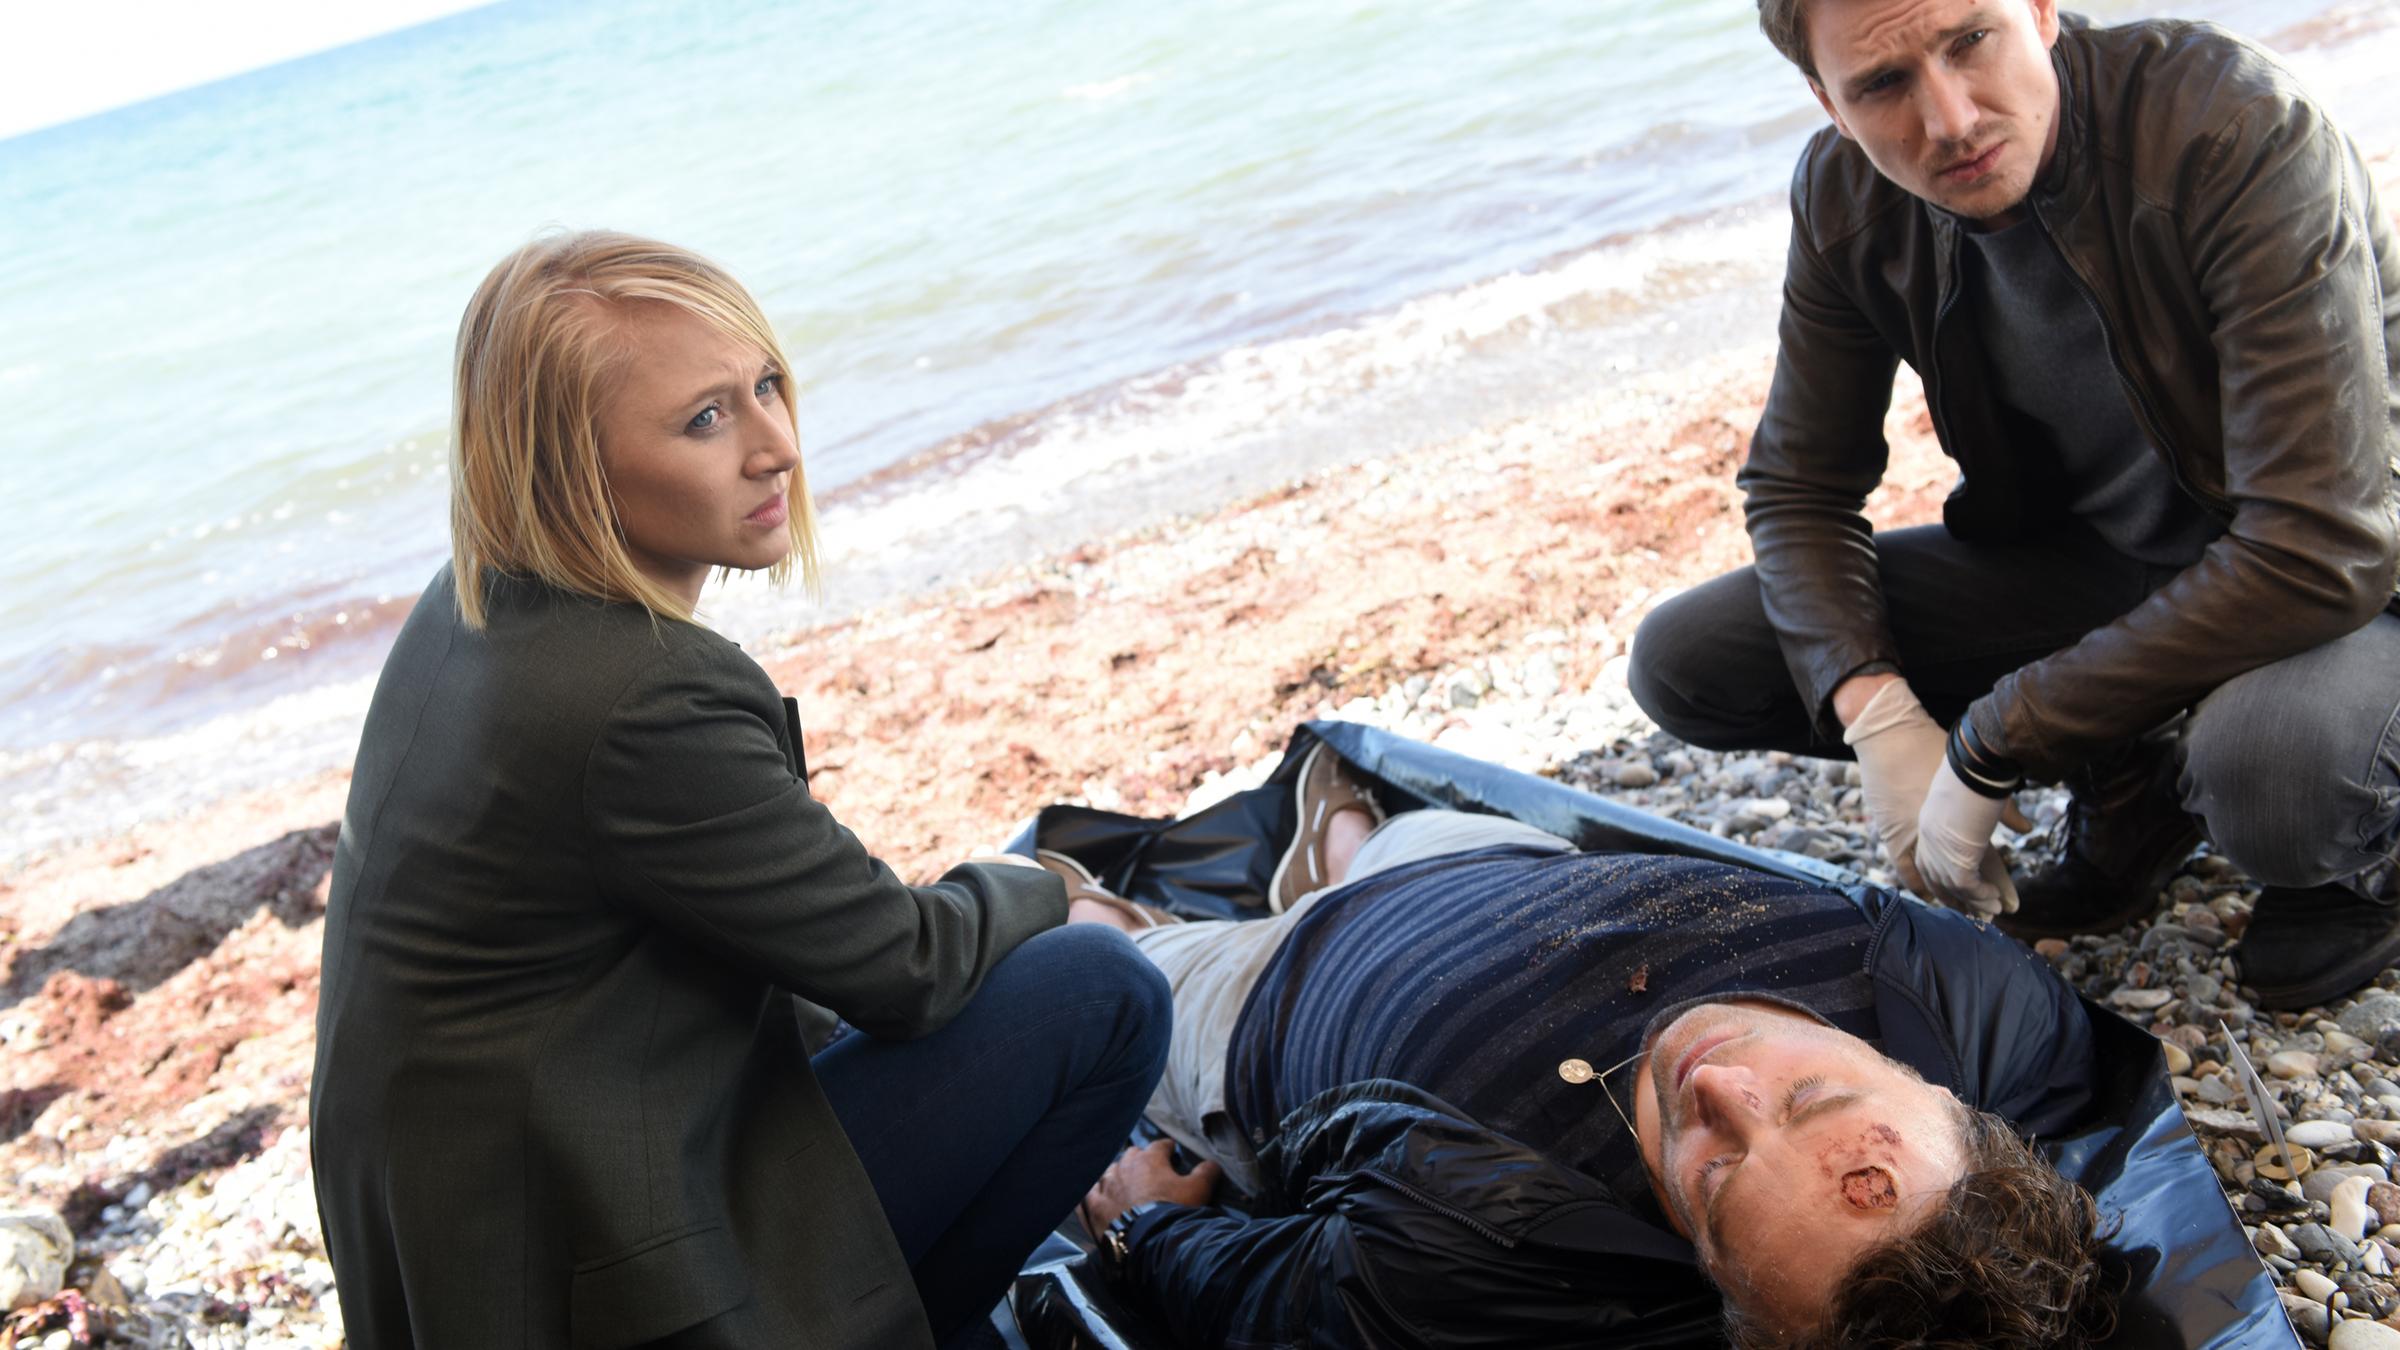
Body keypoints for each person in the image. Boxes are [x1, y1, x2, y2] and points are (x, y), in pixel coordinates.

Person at [308, 231, 1170, 1350]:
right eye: (706, 419)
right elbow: (903, 966)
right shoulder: (640, 694)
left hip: (466, 1228)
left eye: (767, 385)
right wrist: (1053, 886)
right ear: (572, 467)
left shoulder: (472, 599)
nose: (778, 446)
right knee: (1098, 990)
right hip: (577, 1268)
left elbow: (773, 926)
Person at [1624, 0, 2400, 1009]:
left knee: (2271, 778)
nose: (1950, 120)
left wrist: (1999, 738)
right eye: (1884, 85)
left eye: (1968, 41)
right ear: (1825, 99)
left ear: (2038, 9)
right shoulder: (1843, 192)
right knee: (1691, 663)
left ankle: (2363, 858)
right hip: (2108, 561)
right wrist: (1876, 711)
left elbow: (2319, 545)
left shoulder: (2229, 121)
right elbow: (1800, 486)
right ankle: (2136, 783)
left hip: (2354, 570)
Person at [1061, 747, 2117, 1349]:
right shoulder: (1979, 1003)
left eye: (1715, 1177)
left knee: (1100, 968)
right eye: (1813, 1101)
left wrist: (1144, 1233)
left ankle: (1140, 927)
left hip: (1265, 1005)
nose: (1724, 1082)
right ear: (1935, 1087)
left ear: (1717, 1288)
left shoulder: (1495, 1271)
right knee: (1392, 835)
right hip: (1489, 865)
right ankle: (1342, 851)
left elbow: (1269, 1300)